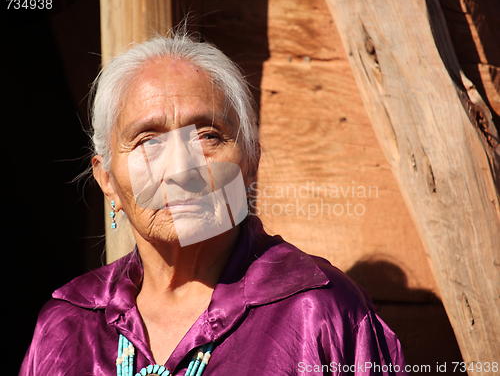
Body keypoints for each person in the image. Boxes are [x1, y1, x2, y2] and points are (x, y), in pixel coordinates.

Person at [20, 31, 408, 376]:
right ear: (107, 180)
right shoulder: (68, 326)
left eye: (208, 135)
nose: (180, 170)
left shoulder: (320, 314)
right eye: (148, 140)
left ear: (251, 160)